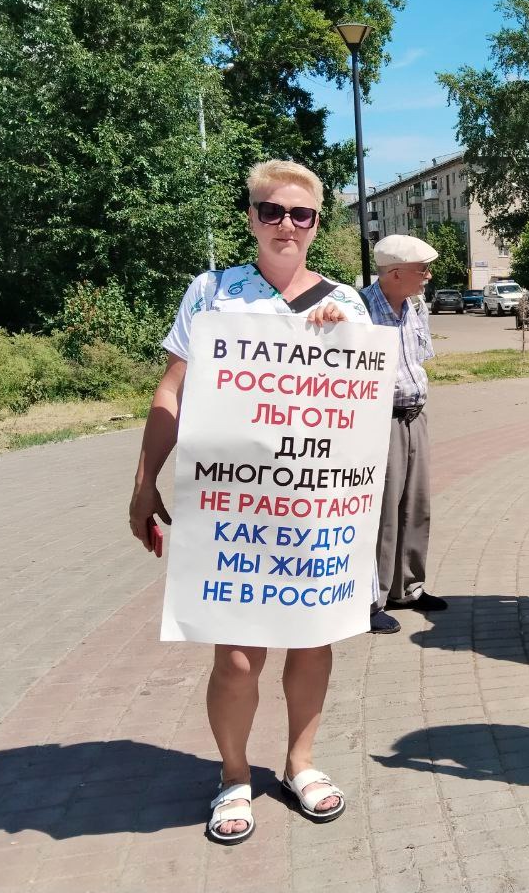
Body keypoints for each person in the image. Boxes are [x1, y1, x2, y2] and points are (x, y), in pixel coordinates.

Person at [128, 159, 370, 844]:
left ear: (319, 223)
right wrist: (145, 482)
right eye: (272, 211)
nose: (286, 225)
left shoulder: (346, 303)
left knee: (312, 639)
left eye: (302, 214)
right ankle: (234, 775)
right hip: (232, 508)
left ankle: (300, 763)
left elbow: (365, 408)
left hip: (316, 508)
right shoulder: (213, 294)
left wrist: (342, 341)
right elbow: (171, 392)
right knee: (237, 656)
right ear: (250, 217)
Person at [362, 235, 447, 634]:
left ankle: (408, 588)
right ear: (395, 273)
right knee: (382, 511)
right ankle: (371, 599)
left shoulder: (414, 307)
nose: (428, 276)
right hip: (379, 421)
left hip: (416, 416)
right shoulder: (359, 310)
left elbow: (418, 360)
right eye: (422, 270)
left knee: (415, 505)